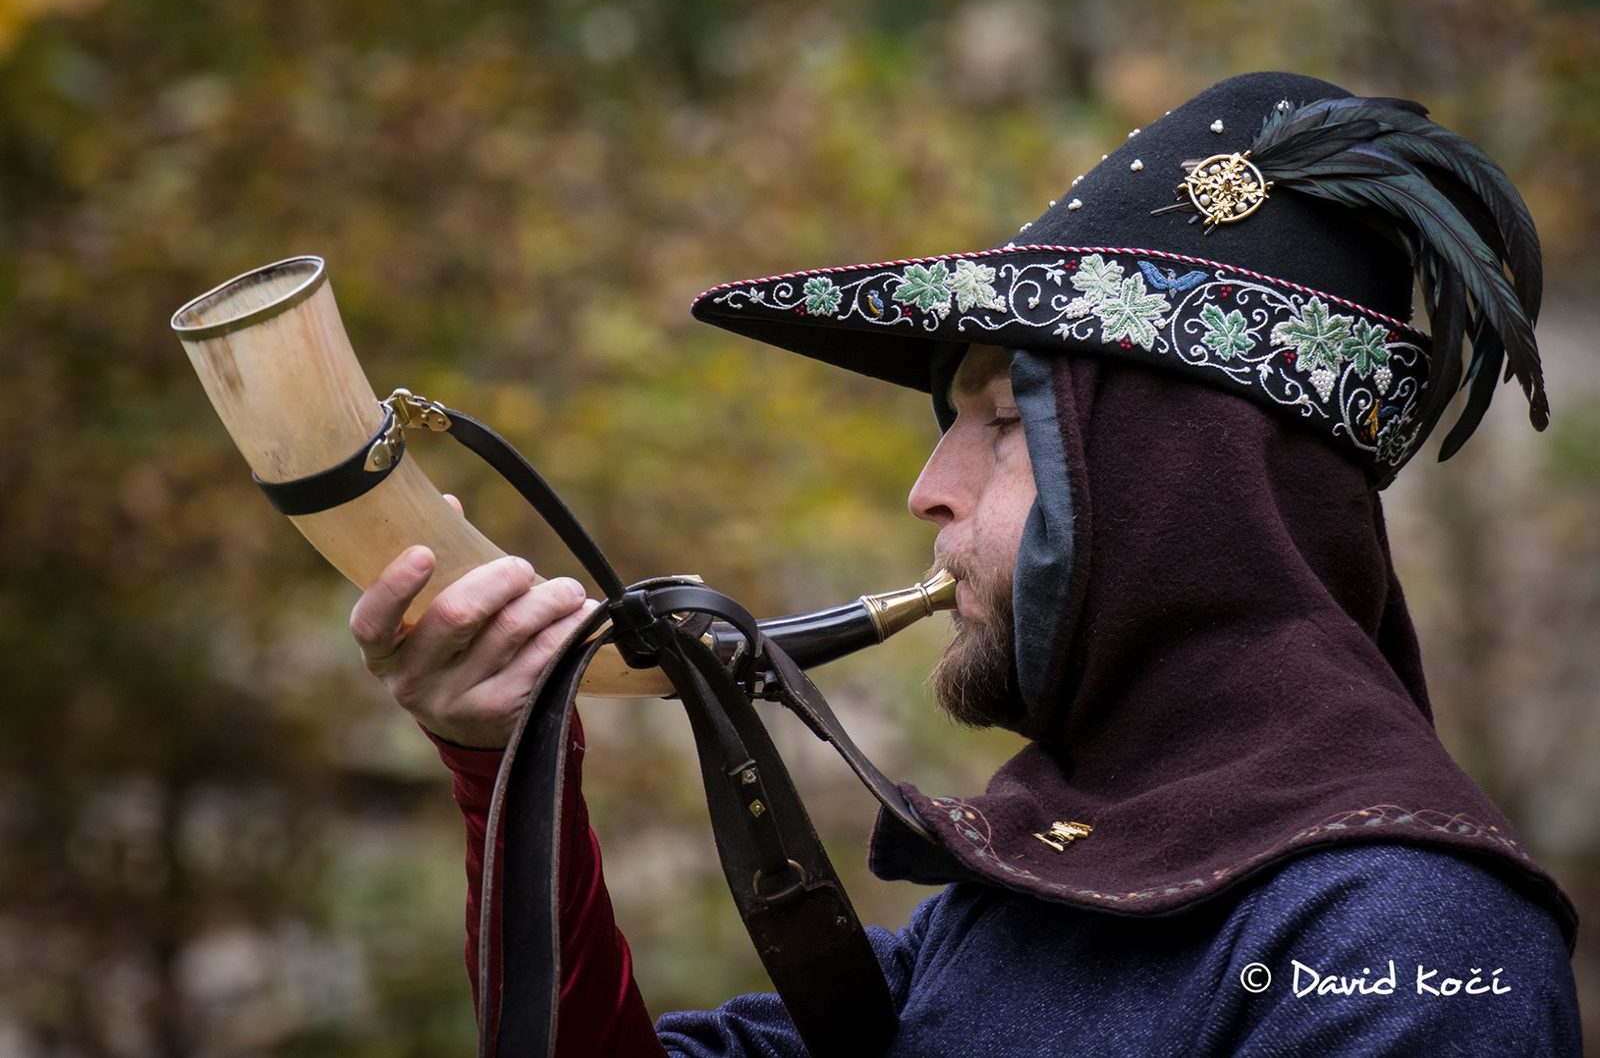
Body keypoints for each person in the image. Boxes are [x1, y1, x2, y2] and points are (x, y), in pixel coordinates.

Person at [349, 73, 1582, 1055]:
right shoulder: (1026, 894)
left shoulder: (1403, 939)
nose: (925, 487)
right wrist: (502, 770)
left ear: (1179, 484)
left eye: (1003, 421)